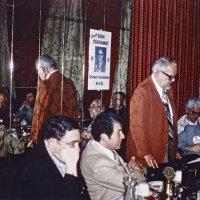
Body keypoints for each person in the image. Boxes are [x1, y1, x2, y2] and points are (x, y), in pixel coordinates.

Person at [9, 116, 89, 199]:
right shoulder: (32, 170)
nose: (78, 150)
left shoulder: (64, 155)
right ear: (52, 143)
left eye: (79, 142)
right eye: (72, 143)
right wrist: (71, 169)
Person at [126, 57, 181, 169]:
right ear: (158, 72)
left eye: (175, 77)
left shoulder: (167, 89)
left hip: (165, 152)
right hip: (147, 155)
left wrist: (173, 148)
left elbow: (169, 121)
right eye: (171, 76)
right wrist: (145, 152)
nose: (173, 80)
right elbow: (137, 126)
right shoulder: (142, 91)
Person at [80, 112, 145, 200]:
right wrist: (136, 169)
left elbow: (116, 169)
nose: (123, 136)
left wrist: (128, 168)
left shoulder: (99, 145)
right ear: (104, 137)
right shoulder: (98, 163)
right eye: (118, 132)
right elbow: (132, 185)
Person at [29, 54, 78, 146]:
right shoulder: (70, 82)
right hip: (69, 134)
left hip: (51, 136)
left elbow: (39, 113)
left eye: (38, 70)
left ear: (44, 68)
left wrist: (35, 137)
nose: (38, 74)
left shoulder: (45, 84)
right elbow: (74, 111)